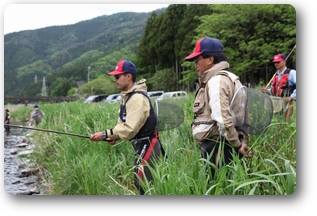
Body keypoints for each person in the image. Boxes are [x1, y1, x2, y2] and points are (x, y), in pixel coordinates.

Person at [89, 60, 163, 195]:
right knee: (140, 181)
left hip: (148, 143)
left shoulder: (137, 98)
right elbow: (122, 125)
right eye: (114, 77)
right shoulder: (127, 97)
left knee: (143, 183)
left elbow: (129, 129)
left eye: (117, 76)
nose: (114, 80)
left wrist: (105, 134)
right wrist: (114, 136)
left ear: (128, 76)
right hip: (140, 144)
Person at [184, 36, 252, 177]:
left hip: (218, 145)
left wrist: (237, 144)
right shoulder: (231, 77)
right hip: (228, 143)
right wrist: (240, 141)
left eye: (197, 60)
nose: (195, 64)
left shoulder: (217, 80)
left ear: (210, 60)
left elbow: (222, 118)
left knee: (217, 186)